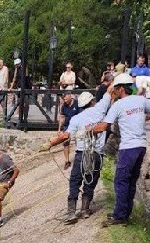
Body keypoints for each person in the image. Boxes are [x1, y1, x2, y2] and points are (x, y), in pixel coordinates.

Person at [92, 73, 150, 226]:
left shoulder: (118, 105)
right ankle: (124, 213)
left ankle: (119, 216)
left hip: (128, 147)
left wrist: (88, 131)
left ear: (121, 88)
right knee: (130, 181)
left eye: (115, 89)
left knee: (121, 181)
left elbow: (104, 126)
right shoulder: (141, 100)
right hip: (141, 146)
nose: (114, 92)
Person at [46, 92, 111, 223]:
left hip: (82, 154)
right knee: (91, 181)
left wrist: (51, 143)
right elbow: (109, 93)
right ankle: (85, 209)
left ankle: (71, 213)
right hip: (97, 153)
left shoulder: (76, 118)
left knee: (75, 181)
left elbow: (65, 136)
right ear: (92, 101)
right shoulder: (101, 110)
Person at [58, 92, 80, 169]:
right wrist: (60, 129)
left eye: (66, 99)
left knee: (79, 141)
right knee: (65, 143)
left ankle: (80, 158)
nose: (65, 101)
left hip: (77, 125)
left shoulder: (77, 104)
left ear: (70, 97)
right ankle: (67, 161)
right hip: (67, 126)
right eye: (64, 99)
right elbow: (62, 117)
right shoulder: (64, 106)